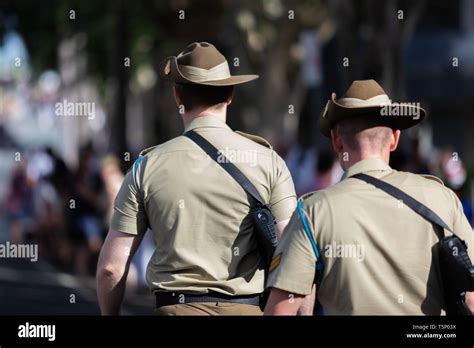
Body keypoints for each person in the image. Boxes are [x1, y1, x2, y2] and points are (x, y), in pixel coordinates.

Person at [97, 42, 297, 315]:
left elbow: (111, 268)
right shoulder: (269, 161)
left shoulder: (146, 167)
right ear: (230, 95)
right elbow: (294, 255)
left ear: (177, 97)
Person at [264, 79, 474, 315]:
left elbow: (280, 311)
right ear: (394, 139)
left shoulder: (313, 211)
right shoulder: (443, 199)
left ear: (336, 141)